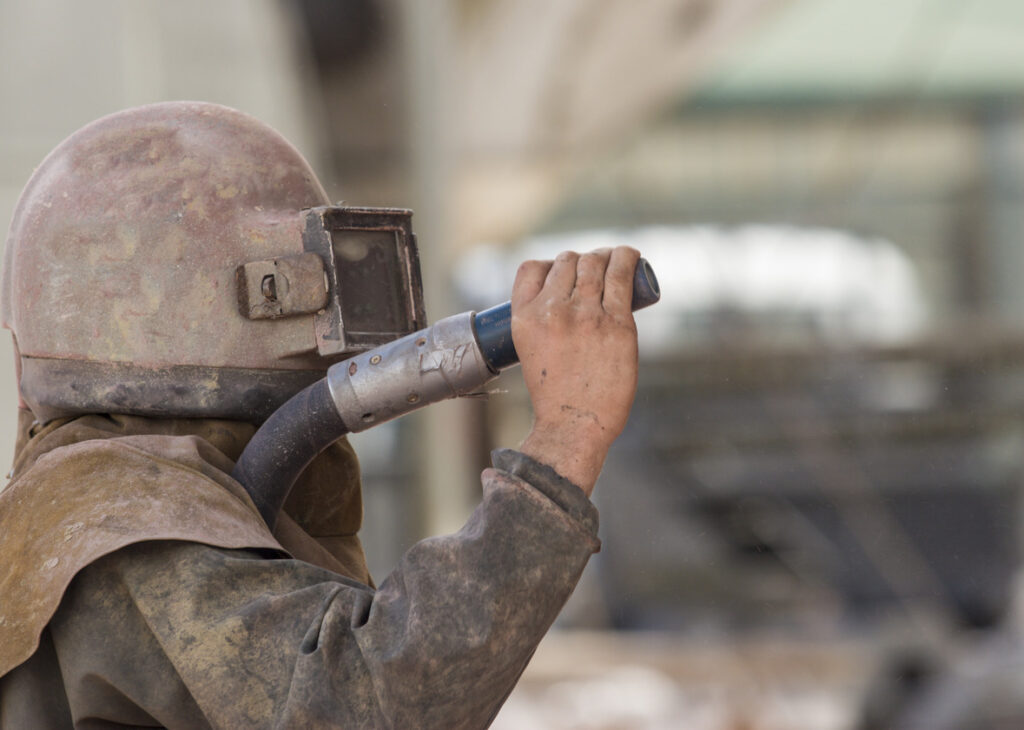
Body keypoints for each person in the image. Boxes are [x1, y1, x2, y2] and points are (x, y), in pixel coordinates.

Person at [0, 101, 640, 728]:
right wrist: (568, 433)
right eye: (301, 283)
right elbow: (367, 703)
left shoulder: (132, 494)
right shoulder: (124, 520)